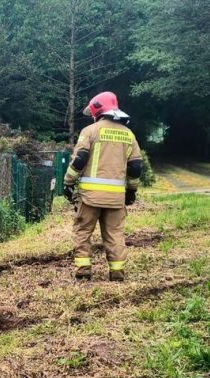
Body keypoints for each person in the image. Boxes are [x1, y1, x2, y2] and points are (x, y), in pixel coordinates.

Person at [63, 91, 143, 282]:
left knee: (83, 231)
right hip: (116, 199)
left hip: (90, 197)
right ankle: (117, 272)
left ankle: (83, 270)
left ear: (96, 111)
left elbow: (79, 160)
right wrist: (131, 191)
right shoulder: (128, 134)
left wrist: (68, 182)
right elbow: (136, 167)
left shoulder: (90, 131)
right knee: (115, 234)